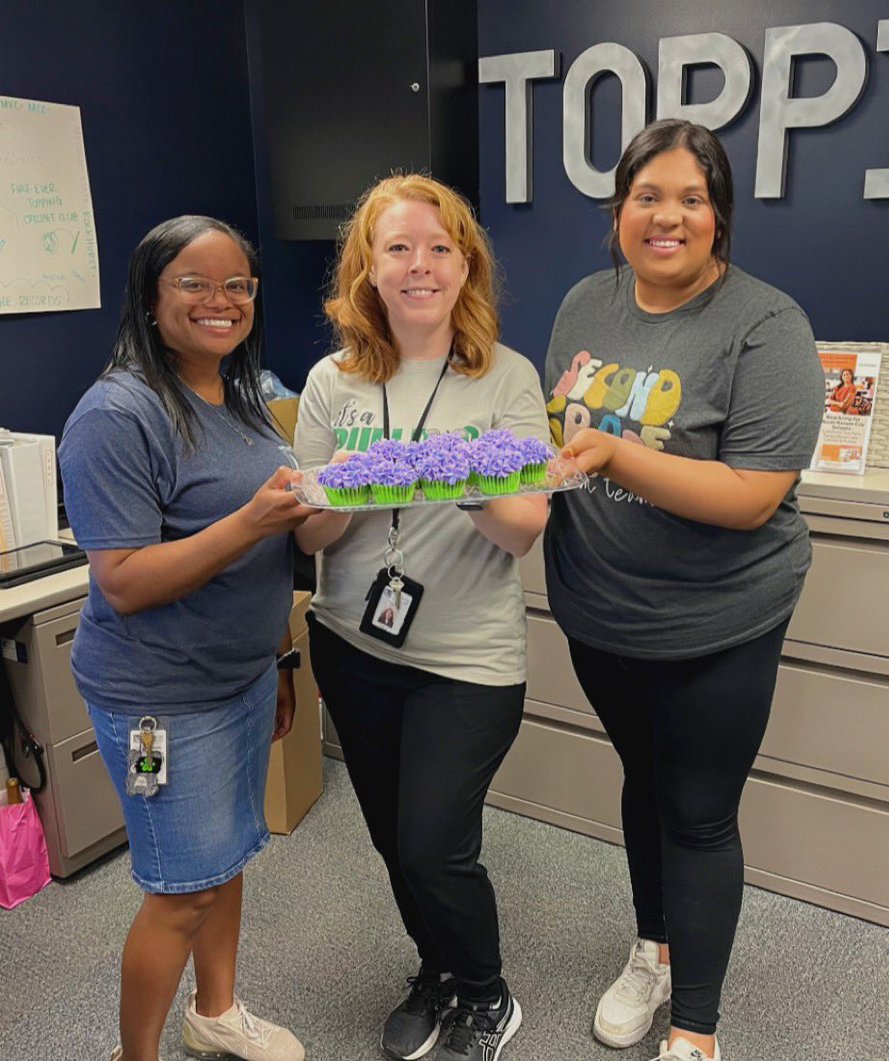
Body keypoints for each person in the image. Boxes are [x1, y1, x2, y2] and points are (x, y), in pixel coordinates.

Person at [542, 119, 824, 1061]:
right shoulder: (586, 302)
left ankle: (695, 1030)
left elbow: (751, 497)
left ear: (720, 217)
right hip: (600, 610)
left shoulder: (766, 325)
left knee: (698, 812)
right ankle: (652, 948)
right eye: (646, 196)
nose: (667, 216)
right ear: (619, 210)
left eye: (691, 199)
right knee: (642, 782)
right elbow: (562, 450)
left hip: (718, 622)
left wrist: (616, 449)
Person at [292, 174, 549, 1061]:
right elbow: (312, 527)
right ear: (368, 266)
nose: (420, 265)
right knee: (394, 841)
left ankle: (487, 993)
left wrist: (453, 472)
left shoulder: (506, 376)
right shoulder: (333, 382)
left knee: (436, 844)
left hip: (466, 658)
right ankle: (436, 965)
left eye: (440, 248)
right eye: (398, 247)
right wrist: (361, 487)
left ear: (466, 263)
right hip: (352, 641)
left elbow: (525, 529)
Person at [58, 216, 325, 1061]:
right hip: (158, 707)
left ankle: (215, 1011)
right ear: (150, 295)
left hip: (239, 680)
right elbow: (125, 581)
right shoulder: (116, 414)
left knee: (225, 859)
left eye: (238, 285)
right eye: (195, 284)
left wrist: (279, 662)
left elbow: (270, 556)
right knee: (179, 888)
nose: (222, 300)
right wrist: (251, 521)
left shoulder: (236, 392)